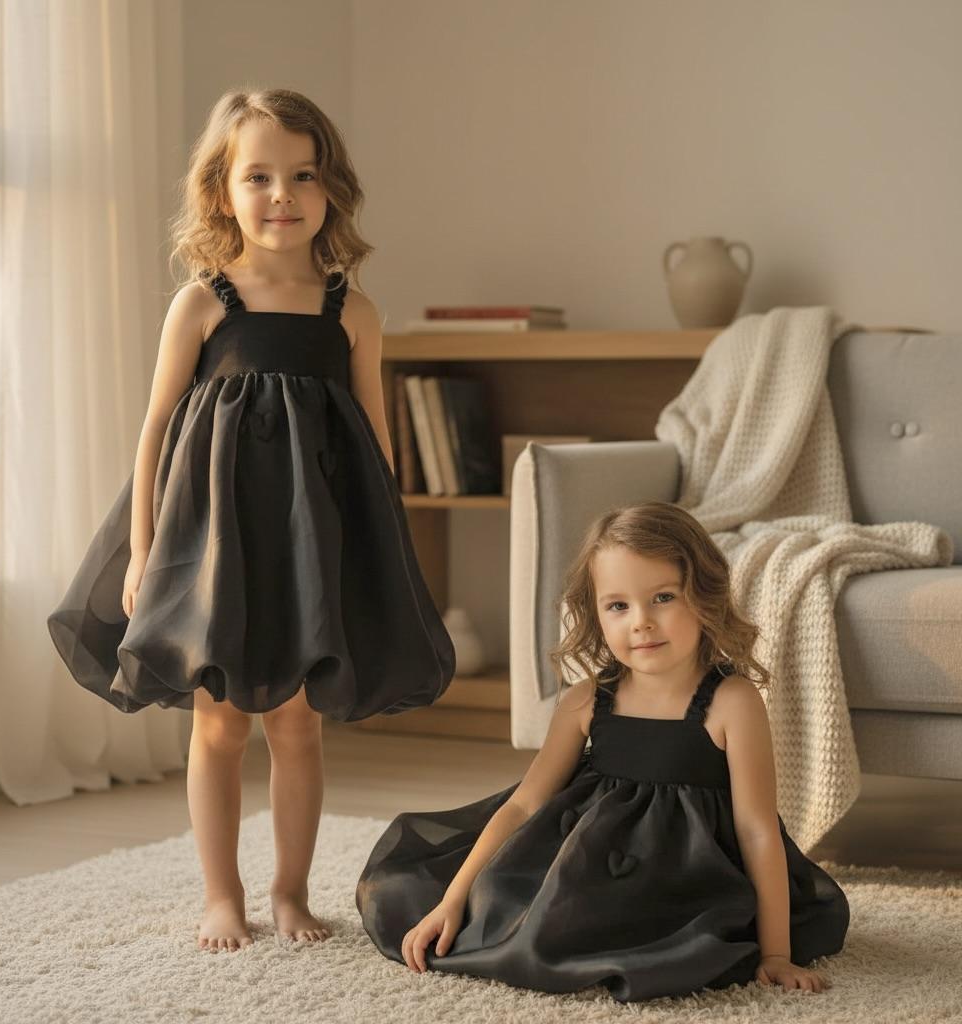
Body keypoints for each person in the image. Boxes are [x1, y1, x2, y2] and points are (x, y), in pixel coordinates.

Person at [48, 88, 455, 952]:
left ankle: (290, 892)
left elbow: (374, 441)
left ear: (331, 187)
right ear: (221, 191)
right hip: (214, 547)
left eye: (303, 175)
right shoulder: (205, 303)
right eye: (259, 177)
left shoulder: (352, 312)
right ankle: (221, 895)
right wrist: (143, 551)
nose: (282, 195)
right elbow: (156, 431)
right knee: (220, 724)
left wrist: (381, 550)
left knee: (298, 724)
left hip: (314, 548)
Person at [356, 501, 849, 1002]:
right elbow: (524, 805)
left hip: (686, 875)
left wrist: (776, 953)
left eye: (663, 597)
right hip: (587, 861)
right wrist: (452, 900)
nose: (641, 622)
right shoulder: (586, 699)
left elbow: (757, 828)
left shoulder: (733, 701)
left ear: (704, 594)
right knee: (509, 910)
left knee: (674, 942)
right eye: (618, 606)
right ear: (595, 613)